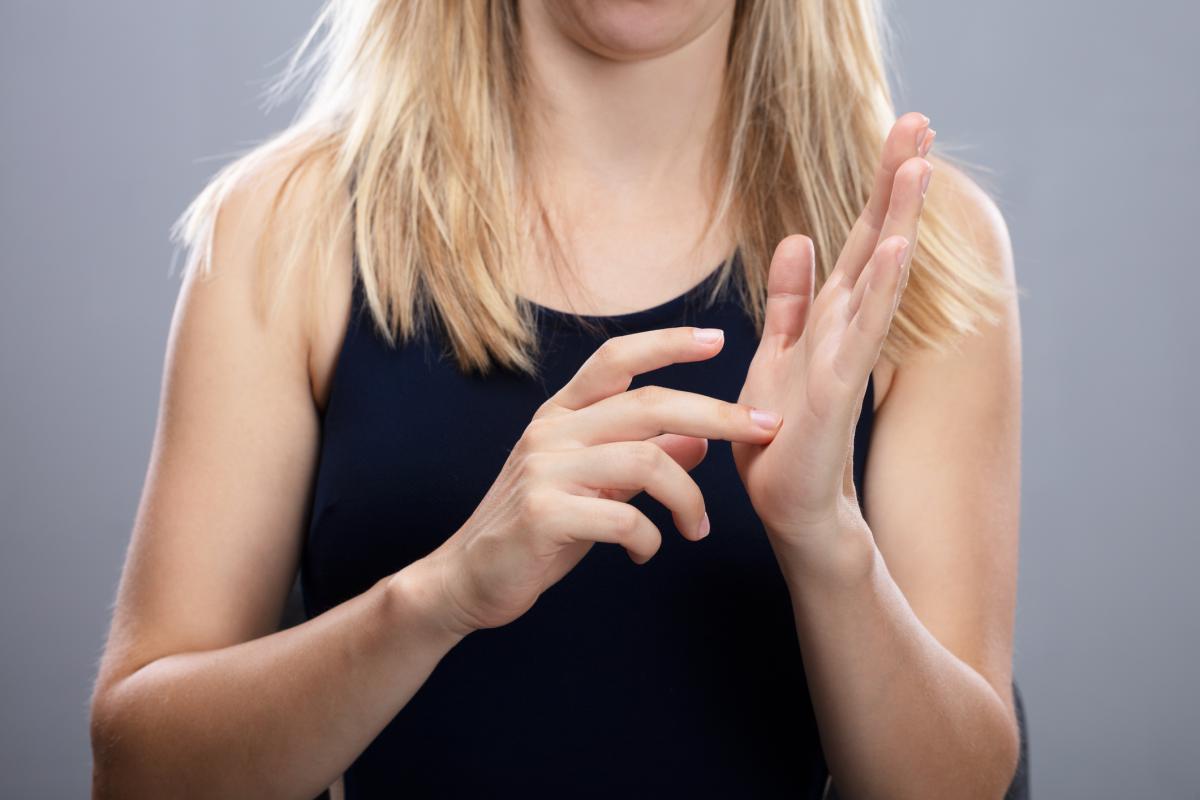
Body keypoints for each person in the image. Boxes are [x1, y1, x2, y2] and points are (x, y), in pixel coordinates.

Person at [89, 2, 1026, 798]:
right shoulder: (285, 229)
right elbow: (138, 767)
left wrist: (827, 542)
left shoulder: (927, 250)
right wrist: (440, 596)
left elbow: (957, 783)